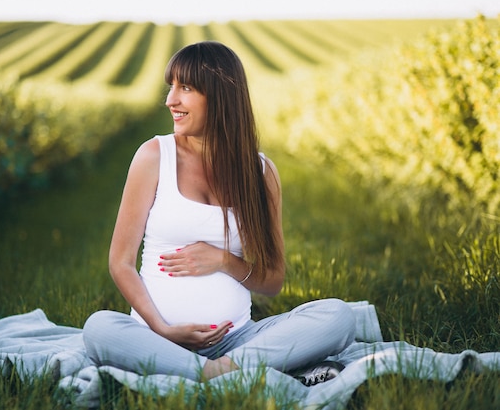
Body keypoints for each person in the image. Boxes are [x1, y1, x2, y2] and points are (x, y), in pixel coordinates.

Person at [83, 41, 356, 383]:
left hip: (238, 340)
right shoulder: (154, 156)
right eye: (171, 87)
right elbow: (119, 262)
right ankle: (225, 373)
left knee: (339, 316)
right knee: (99, 328)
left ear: (220, 95)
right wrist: (163, 329)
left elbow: (272, 281)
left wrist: (224, 260)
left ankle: (214, 370)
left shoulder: (261, 173)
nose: (171, 100)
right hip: (156, 336)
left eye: (186, 88)